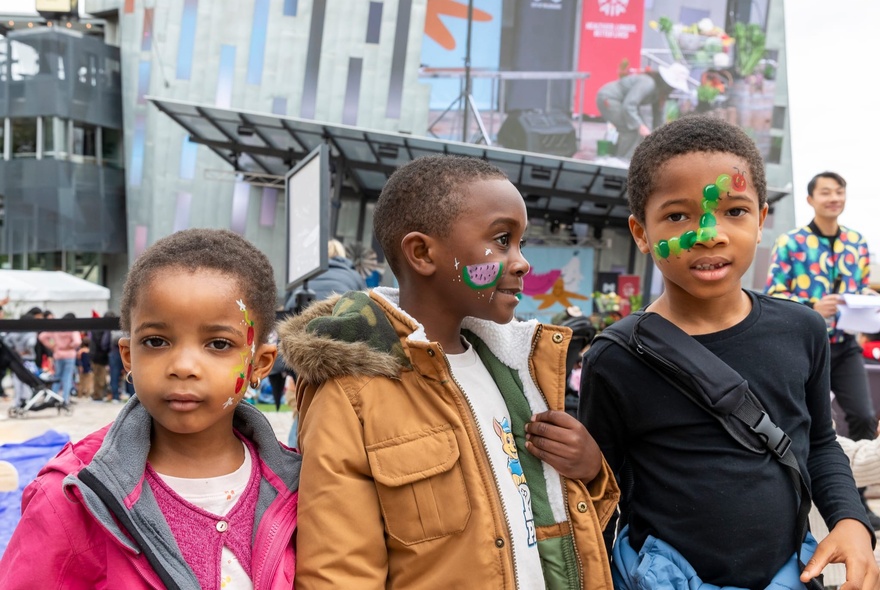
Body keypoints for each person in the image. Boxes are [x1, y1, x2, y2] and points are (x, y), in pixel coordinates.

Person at [278, 154, 619, 589]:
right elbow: (339, 572)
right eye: (501, 240)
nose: (521, 263)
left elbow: (552, 524)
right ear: (422, 253)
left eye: (521, 243)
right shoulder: (352, 394)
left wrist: (590, 473)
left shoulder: (517, 375)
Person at [579, 115, 877, 588]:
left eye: (734, 211)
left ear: (761, 221)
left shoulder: (801, 329)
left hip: (788, 575)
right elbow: (601, 493)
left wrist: (851, 520)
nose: (710, 234)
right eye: (677, 216)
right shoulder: (615, 357)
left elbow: (819, 442)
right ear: (640, 232)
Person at [0, 228, 301, 589]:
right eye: (156, 341)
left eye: (218, 344)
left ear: (261, 364)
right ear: (128, 357)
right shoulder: (70, 498)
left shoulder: (304, 489)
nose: (183, 366)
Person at [764, 171, 880, 527]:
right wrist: (812, 306)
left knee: (862, 414)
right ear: (811, 199)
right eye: (826, 192)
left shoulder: (857, 243)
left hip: (844, 344)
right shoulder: (791, 242)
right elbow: (773, 294)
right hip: (803, 344)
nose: (834, 198)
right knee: (811, 422)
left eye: (839, 191)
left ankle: (856, 500)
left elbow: (861, 289)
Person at [595, 61, 690, 162]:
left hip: (621, 103)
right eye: (673, 87)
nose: (673, 90)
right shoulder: (647, 83)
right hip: (609, 98)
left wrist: (661, 138)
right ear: (666, 83)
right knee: (631, 130)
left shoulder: (660, 93)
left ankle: (623, 159)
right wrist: (640, 126)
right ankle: (622, 163)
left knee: (636, 129)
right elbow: (629, 105)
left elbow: (658, 118)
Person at [283, 238, 367, 310]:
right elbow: (365, 305)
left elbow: (287, 302)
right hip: (337, 316)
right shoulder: (354, 276)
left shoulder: (306, 273)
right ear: (342, 255)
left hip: (297, 315)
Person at [38, 312, 82, 405]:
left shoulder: (56, 327)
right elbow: (78, 341)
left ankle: (53, 398)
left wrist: (51, 346)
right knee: (67, 377)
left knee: (57, 377)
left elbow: (42, 336)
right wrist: (70, 346)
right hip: (69, 355)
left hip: (58, 354)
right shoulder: (72, 328)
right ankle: (65, 400)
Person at [89, 311, 114, 401]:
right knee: (100, 378)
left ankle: (97, 395)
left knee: (97, 377)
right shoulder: (104, 328)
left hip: (94, 355)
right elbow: (103, 343)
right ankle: (98, 396)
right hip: (100, 356)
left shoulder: (97, 326)